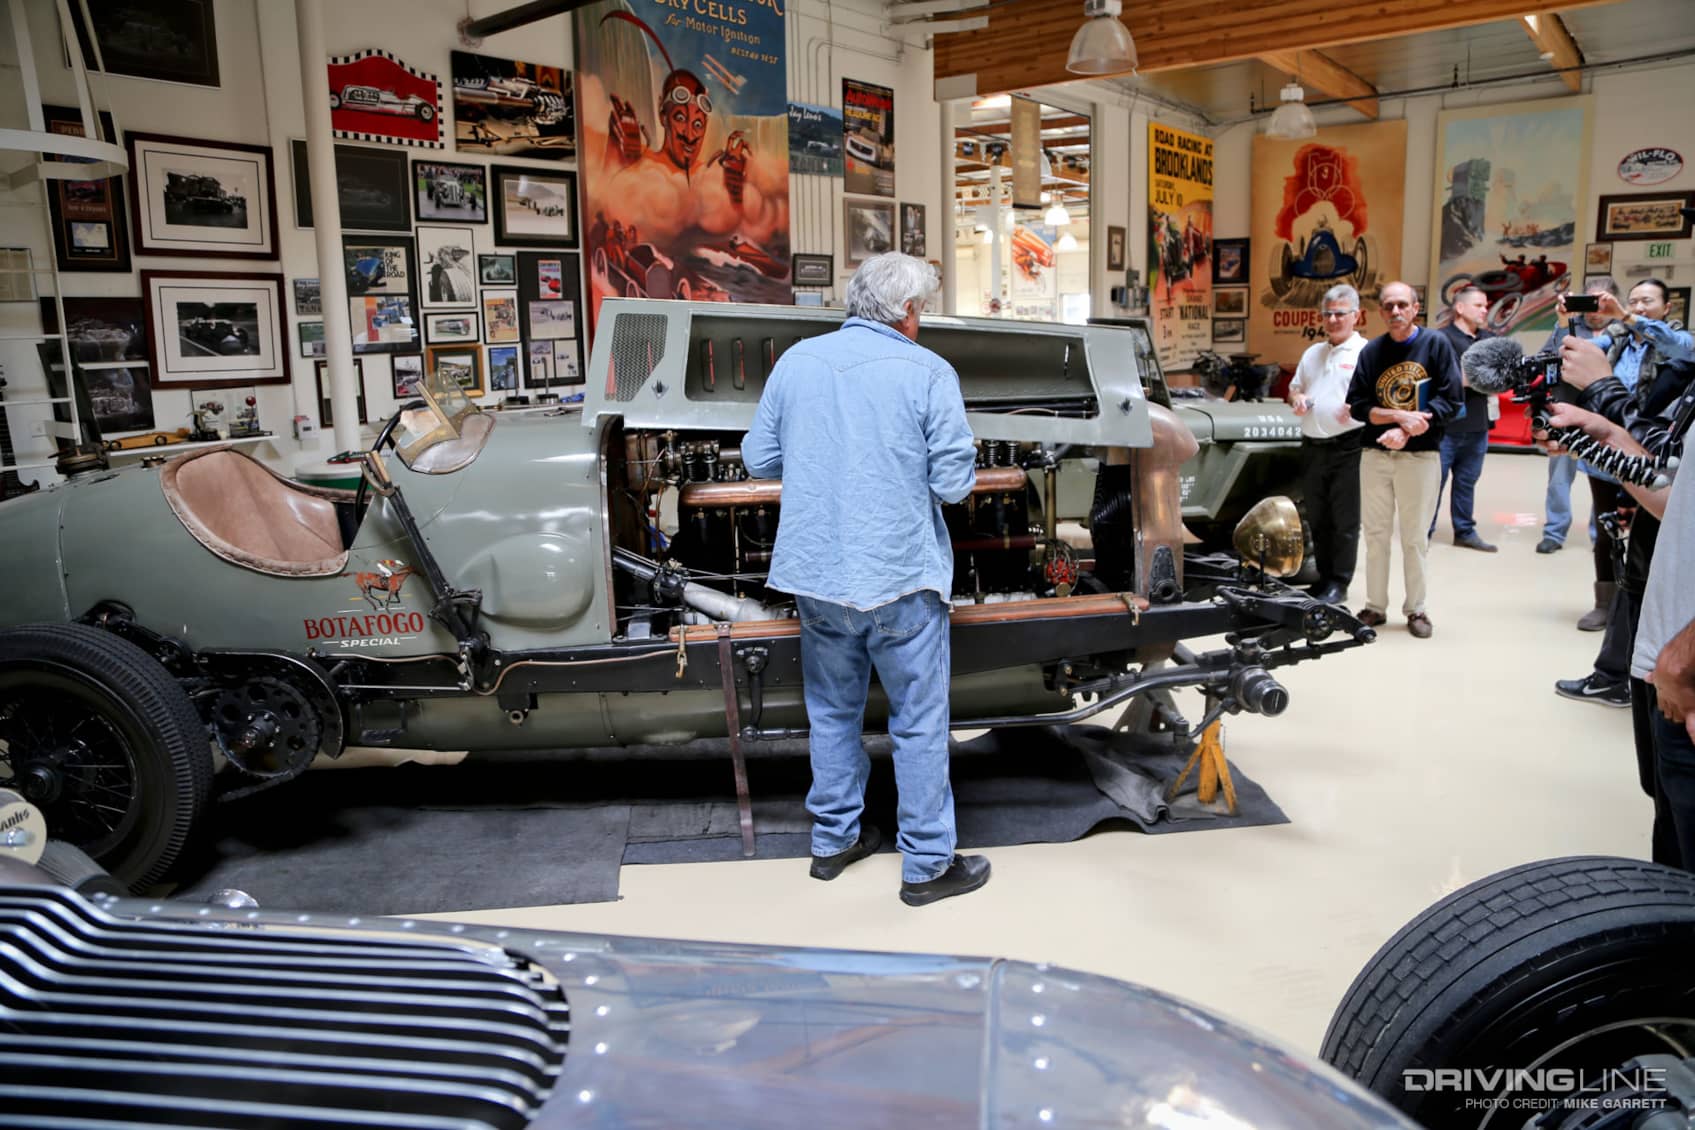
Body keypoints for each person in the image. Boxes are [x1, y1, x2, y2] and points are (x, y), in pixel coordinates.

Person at [741, 253, 989, 907]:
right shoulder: (929, 371)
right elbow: (953, 483)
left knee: (831, 713)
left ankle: (832, 842)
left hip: (819, 576)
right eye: (922, 308)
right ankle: (928, 866)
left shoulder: (797, 361)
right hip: (900, 575)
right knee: (917, 722)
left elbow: (757, 456)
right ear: (907, 312)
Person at [1556, 280, 1695, 705]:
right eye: (1632, 300)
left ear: (1666, 306)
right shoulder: (1613, 340)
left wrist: (1625, 315)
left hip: (1657, 457)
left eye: (1645, 301)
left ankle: (1626, 671)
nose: (1635, 307)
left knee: (1649, 558)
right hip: (1616, 448)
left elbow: (1678, 347)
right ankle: (1612, 656)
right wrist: (1568, 324)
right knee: (1614, 538)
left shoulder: (1673, 343)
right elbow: (1569, 360)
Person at [1344, 281, 1464, 638]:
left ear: (1415, 308)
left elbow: (1450, 400)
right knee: (1376, 534)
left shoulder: (1436, 345)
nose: (1394, 312)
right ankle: (1374, 606)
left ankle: (1416, 609)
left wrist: (1409, 431)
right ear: (1380, 312)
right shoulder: (1372, 351)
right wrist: (1397, 419)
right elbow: (1358, 405)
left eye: (1402, 305)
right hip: (1375, 454)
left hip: (1420, 456)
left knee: (1414, 536)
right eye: (1387, 306)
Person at [1286, 284, 1366, 604]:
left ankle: (1339, 582)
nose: (1333, 320)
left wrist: (1358, 406)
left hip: (1348, 445)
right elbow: (1294, 389)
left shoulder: (1365, 353)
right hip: (1312, 445)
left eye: (1340, 314)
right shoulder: (1313, 353)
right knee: (1317, 516)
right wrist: (1298, 398)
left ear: (1356, 316)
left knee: (1344, 519)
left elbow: (1375, 397)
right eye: (1328, 314)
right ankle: (1323, 576)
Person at [1536, 278, 1621, 555]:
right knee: (1559, 478)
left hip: (1607, 418)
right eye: (1588, 301)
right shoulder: (1570, 327)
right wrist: (1563, 324)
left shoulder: (1622, 331)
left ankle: (1603, 534)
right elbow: (1546, 357)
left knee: (1607, 480)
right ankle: (1554, 532)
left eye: (1599, 301)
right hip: (1568, 412)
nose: (1593, 309)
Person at [1429, 285, 1497, 551]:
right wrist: (1472, 379)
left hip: (1478, 424)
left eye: (1485, 305)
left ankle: (1465, 531)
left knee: (1467, 481)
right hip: (1446, 426)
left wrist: (1471, 379)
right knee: (1435, 482)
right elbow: (1443, 380)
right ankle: (1424, 531)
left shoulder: (1488, 339)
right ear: (1460, 308)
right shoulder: (1439, 339)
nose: (1485, 310)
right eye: (1479, 305)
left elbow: (1499, 378)